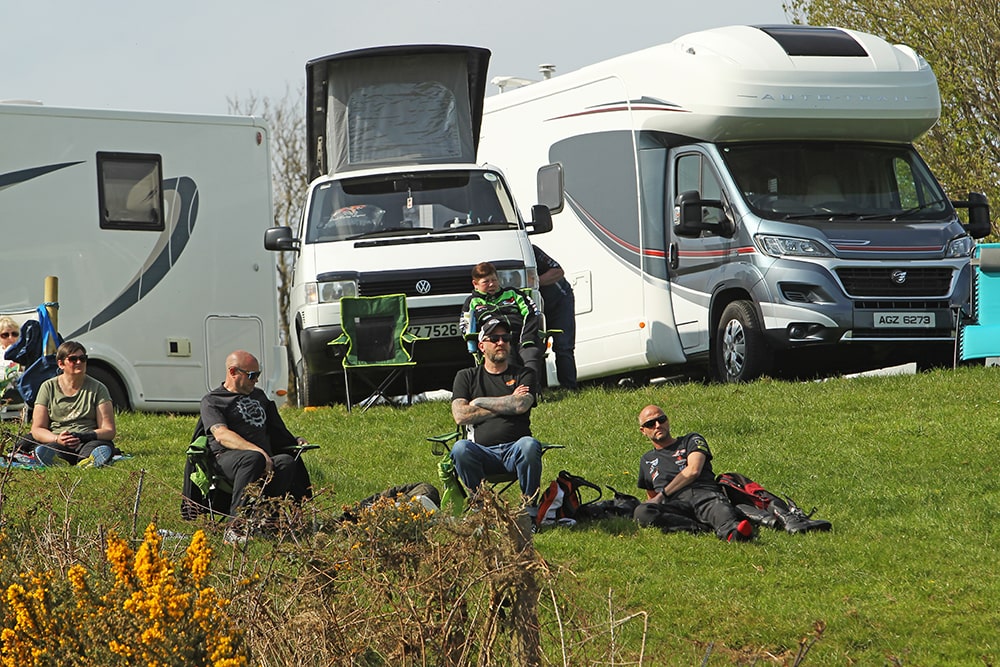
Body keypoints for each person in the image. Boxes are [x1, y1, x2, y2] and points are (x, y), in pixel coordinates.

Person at [200, 350, 312, 536]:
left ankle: (267, 522)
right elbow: (221, 435)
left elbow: (276, 429)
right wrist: (258, 452)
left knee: (285, 462)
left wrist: (294, 440)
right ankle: (235, 528)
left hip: (262, 460)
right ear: (233, 372)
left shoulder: (259, 397)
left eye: (258, 374)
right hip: (225, 460)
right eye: (252, 375)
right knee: (252, 458)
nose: (256, 380)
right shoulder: (213, 401)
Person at [450, 317, 543, 502]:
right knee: (460, 448)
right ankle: (481, 507)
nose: (501, 342)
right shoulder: (466, 377)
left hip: (515, 450)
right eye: (494, 338)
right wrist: (507, 403)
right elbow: (460, 416)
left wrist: (477, 402)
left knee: (529, 445)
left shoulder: (524, 374)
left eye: (506, 338)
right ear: (482, 346)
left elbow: (521, 405)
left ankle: (530, 510)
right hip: (482, 452)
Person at [633, 405, 753, 542]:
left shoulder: (691, 440)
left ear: (668, 420)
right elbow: (652, 497)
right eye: (650, 424)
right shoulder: (647, 460)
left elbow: (693, 471)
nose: (658, 425)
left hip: (703, 494)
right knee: (642, 512)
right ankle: (697, 527)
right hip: (674, 504)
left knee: (720, 511)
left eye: (661, 419)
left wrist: (663, 494)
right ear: (643, 431)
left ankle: (735, 533)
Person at [31, 341, 117, 467]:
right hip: (59, 440)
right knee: (49, 449)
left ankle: (88, 461)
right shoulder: (47, 387)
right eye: (73, 359)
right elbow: (37, 428)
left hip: (89, 440)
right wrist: (57, 438)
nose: (79, 362)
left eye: (83, 359)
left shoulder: (99, 388)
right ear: (61, 364)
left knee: (98, 447)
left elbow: (109, 430)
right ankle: (59, 460)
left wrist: (84, 436)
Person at [460, 261, 544, 384]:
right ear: (475, 284)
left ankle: (532, 393)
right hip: (497, 341)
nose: (491, 284)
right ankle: (511, 393)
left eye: (494, 280)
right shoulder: (472, 302)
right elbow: (464, 325)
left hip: (523, 338)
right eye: (486, 282)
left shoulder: (513, 293)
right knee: (505, 359)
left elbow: (532, 313)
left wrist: (526, 338)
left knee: (531, 355)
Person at [532, 245, 578, 390]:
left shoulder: (530, 250)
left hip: (560, 300)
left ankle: (569, 388)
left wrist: (534, 282)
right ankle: (536, 391)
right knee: (534, 348)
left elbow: (558, 271)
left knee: (563, 346)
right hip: (535, 306)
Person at [0, 316, 23, 407]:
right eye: (5, 335)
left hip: (14, 391)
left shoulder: (22, 352)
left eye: (14, 334)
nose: (10, 338)